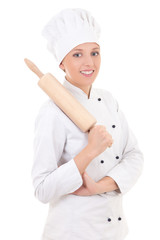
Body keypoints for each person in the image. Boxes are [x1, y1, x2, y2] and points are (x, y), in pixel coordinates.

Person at [31, 8, 143, 240]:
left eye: (95, 52)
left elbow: (134, 155)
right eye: (77, 54)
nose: (89, 62)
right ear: (61, 63)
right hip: (73, 231)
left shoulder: (109, 99)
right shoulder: (52, 111)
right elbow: (42, 189)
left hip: (115, 231)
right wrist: (91, 150)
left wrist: (99, 186)